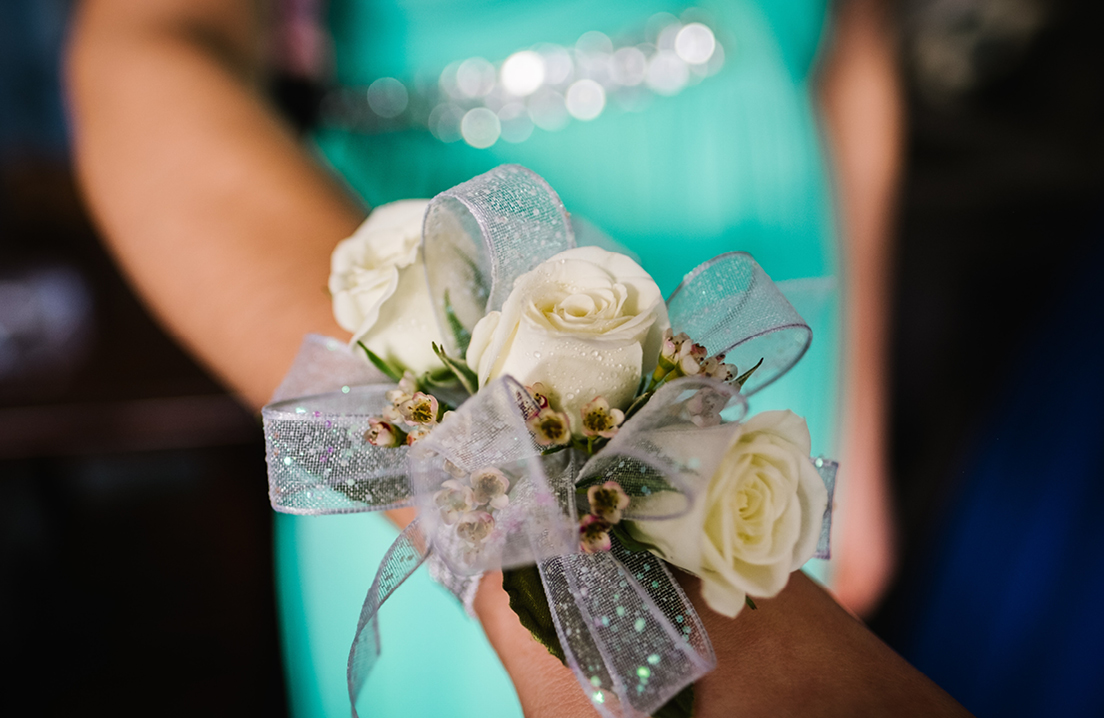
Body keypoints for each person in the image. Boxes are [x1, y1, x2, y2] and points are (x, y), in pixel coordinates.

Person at [66, 0, 939, 714]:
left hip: (767, 269)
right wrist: (527, 533)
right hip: (433, 324)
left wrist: (858, 432)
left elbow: (852, 35)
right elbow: (150, 49)